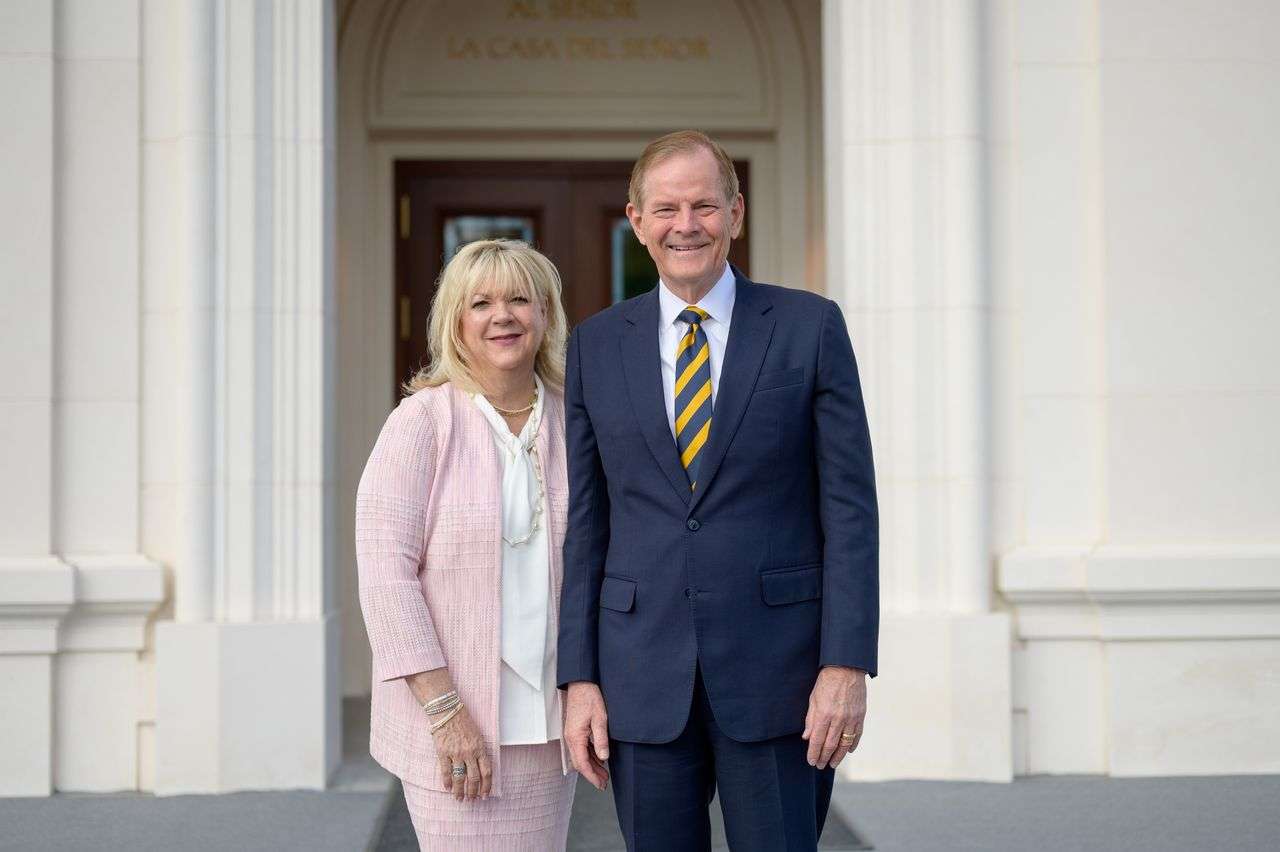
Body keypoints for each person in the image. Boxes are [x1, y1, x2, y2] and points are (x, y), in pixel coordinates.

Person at [557, 131, 879, 851]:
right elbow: (588, 522)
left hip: (782, 677)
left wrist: (845, 663)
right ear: (636, 221)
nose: (687, 224)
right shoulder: (595, 345)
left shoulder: (809, 327)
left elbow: (850, 510)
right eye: (666, 208)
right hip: (640, 675)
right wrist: (578, 679)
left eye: (705, 205)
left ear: (737, 213)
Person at [356, 239, 576, 850]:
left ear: (546, 315)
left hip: (547, 725)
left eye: (519, 300)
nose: (502, 316)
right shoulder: (421, 423)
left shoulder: (574, 419)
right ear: (456, 322)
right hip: (453, 718)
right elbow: (385, 579)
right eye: (480, 303)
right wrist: (445, 712)